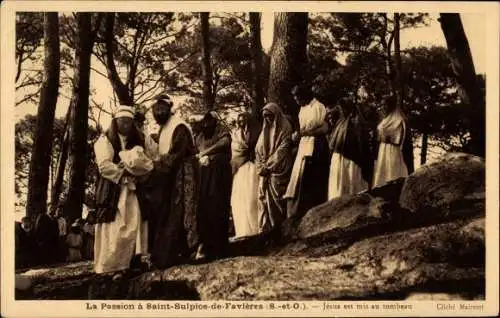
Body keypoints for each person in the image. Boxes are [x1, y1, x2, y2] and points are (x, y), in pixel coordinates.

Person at [93, 105, 153, 277]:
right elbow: (104, 166)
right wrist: (123, 172)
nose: (125, 125)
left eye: (128, 122)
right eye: (122, 122)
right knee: (116, 225)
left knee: (136, 221)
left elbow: (150, 158)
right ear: (115, 122)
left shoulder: (140, 140)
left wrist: (138, 167)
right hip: (114, 188)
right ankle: (111, 265)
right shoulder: (105, 140)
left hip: (134, 189)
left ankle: (133, 261)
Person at [142, 94, 199, 269]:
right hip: (171, 175)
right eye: (155, 109)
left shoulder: (179, 126)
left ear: (169, 108)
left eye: (162, 108)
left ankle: (189, 250)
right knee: (171, 214)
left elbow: (177, 153)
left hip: (183, 173)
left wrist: (156, 166)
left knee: (184, 211)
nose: (158, 112)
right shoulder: (164, 128)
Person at [284, 84, 330, 219]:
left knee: (313, 175)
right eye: (295, 97)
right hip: (304, 145)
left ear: (305, 95)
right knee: (301, 176)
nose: (296, 100)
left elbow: (324, 128)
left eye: (298, 97)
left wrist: (303, 133)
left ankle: (316, 209)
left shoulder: (318, 107)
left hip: (316, 145)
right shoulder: (302, 109)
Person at [195, 111, 232, 261]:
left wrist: (207, 153)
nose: (207, 124)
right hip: (205, 177)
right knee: (205, 208)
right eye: (205, 122)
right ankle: (207, 245)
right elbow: (197, 152)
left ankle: (220, 246)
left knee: (219, 207)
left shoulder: (222, 132)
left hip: (220, 176)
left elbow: (225, 143)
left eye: (210, 122)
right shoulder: (200, 137)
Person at [255, 103, 293, 234]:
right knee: (264, 201)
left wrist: (269, 166)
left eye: (270, 116)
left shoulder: (285, 127)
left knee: (278, 199)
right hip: (266, 171)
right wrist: (261, 166)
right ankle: (267, 230)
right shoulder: (265, 129)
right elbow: (258, 150)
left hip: (279, 168)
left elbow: (282, 150)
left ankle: (280, 229)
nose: (267, 119)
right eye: (265, 116)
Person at [327, 94, 373, 199]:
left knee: (350, 186)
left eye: (343, 108)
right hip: (339, 159)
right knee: (338, 187)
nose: (341, 111)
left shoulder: (356, 122)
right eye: (340, 108)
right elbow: (333, 141)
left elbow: (360, 143)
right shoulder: (340, 122)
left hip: (350, 161)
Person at [230, 112, 261, 238]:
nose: (241, 123)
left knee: (251, 199)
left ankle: (254, 229)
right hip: (240, 168)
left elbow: (254, 148)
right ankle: (242, 230)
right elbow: (236, 149)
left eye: (243, 120)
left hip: (251, 167)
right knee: (238, 199)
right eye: (239, 121)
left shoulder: (255, 133)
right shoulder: (236, 134)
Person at [372, 96, 413, 188]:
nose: (383, 107)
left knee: (393, 173)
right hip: (383, 149)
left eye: (385, 105)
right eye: (383, 105)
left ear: (390, 105)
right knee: (383, 174)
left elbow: (403, 138)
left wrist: (390, 138)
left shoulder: (399, 119)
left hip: (393, 150)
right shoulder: (385, 119)